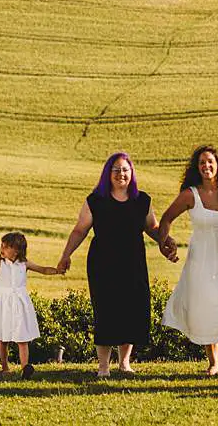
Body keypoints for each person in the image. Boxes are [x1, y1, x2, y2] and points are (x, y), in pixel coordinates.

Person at [56, 151, 171, 379]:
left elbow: (152, 227)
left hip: (133, 262)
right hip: (103, 264)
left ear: (132, 173)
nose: (121, 174)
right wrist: (66, 255)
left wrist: (168, 241)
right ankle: (103, 366)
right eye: (116, 170)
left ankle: (124, 363)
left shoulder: (142, 200)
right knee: (106, 311)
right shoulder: (95, 200)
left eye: (125, 170)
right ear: (108, 173)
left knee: (132, 309)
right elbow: (80, 230)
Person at [159, 145, 218, 376]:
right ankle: (213, 363)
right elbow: (166, 219)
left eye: (210, 161)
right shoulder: (190, 194)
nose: (206, 166)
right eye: (202, 162)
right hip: (201, 261)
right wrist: (164, 244)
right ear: (197, 168)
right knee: (207, 310)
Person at [0, 231, 61, 377]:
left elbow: (42, 269)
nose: (2, 249)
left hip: (20, 303)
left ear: (16, 250)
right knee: (3, 338)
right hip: (4, 303)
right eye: (1, 246)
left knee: (22, 338)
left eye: (6, 246)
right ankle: (5, 368)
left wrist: (57, 271)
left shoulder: (24, 264)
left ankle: (25, 367)